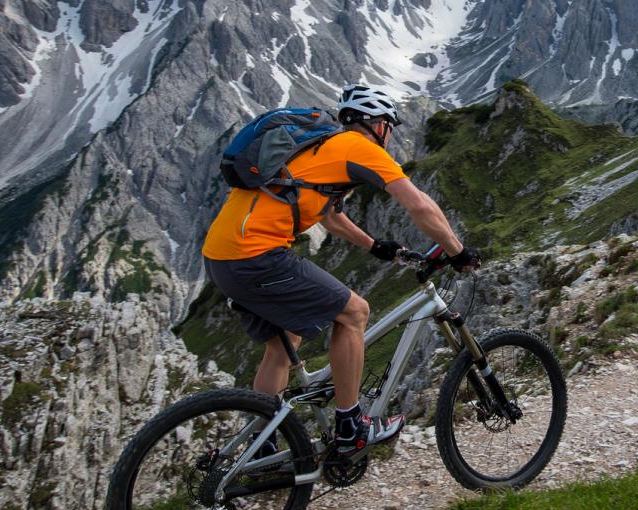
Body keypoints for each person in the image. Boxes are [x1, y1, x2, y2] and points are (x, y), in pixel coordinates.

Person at [201, 84, 479, 457]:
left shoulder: (321, 147)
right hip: (256, 254)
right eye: (388, 127)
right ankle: (351, 427)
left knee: (284, 344)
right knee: (355, 313)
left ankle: (261, 449)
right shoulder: (358, 147)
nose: (389, 135)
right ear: (378, 125)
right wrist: (457, 251)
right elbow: (419, 205)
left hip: (220, 257)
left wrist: (376, 246)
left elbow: (330, 216)